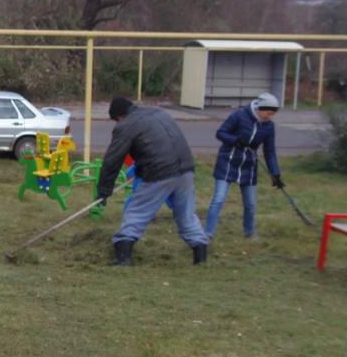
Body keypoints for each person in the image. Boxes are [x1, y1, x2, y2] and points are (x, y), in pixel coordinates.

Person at [96, 97, 209, 266]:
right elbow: (158, 145)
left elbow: (113, 160)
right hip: (186, 170)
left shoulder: (126, 125)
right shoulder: (158, 113)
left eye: (115, 120)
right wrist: (141, 168)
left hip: (159, 173)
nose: (116, 123)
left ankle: (123, 258)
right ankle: (201, 259)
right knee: (186, 215)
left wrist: (104, 191)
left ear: (120, 116)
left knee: (136, 212)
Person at [204, 92, 283, 240]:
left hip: (249, 166)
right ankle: (207, 233)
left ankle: (249, 232)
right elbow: (220, 133)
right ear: (259, 108)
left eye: (273, 114)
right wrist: (235, 141)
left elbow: (270, 151)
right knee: (219, 199)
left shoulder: (269, 126)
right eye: (268, 113)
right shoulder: (239, 116)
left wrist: (275, 174)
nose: (270, 116)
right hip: (228, 162)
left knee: (251, 204)